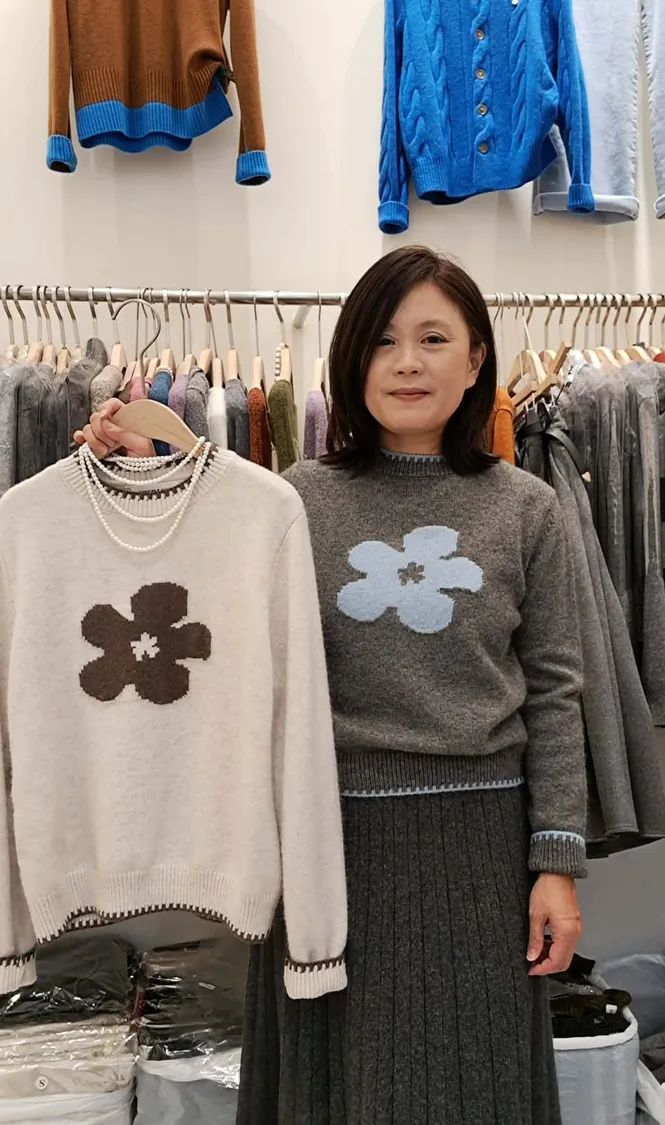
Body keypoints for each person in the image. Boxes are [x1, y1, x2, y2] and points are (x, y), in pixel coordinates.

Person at [76, 246, 587, 1125]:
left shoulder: (526, 507)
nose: (407, 362)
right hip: (323, 843)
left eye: (434, 338)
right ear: (351, 361)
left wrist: (558, 862)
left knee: (480, 1080)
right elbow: (191, 588)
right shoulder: (293, 499)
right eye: (383, 340)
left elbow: (556, 689)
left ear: (476, 361)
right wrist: (130, 468)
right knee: (331, 1084)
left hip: (481, 851)